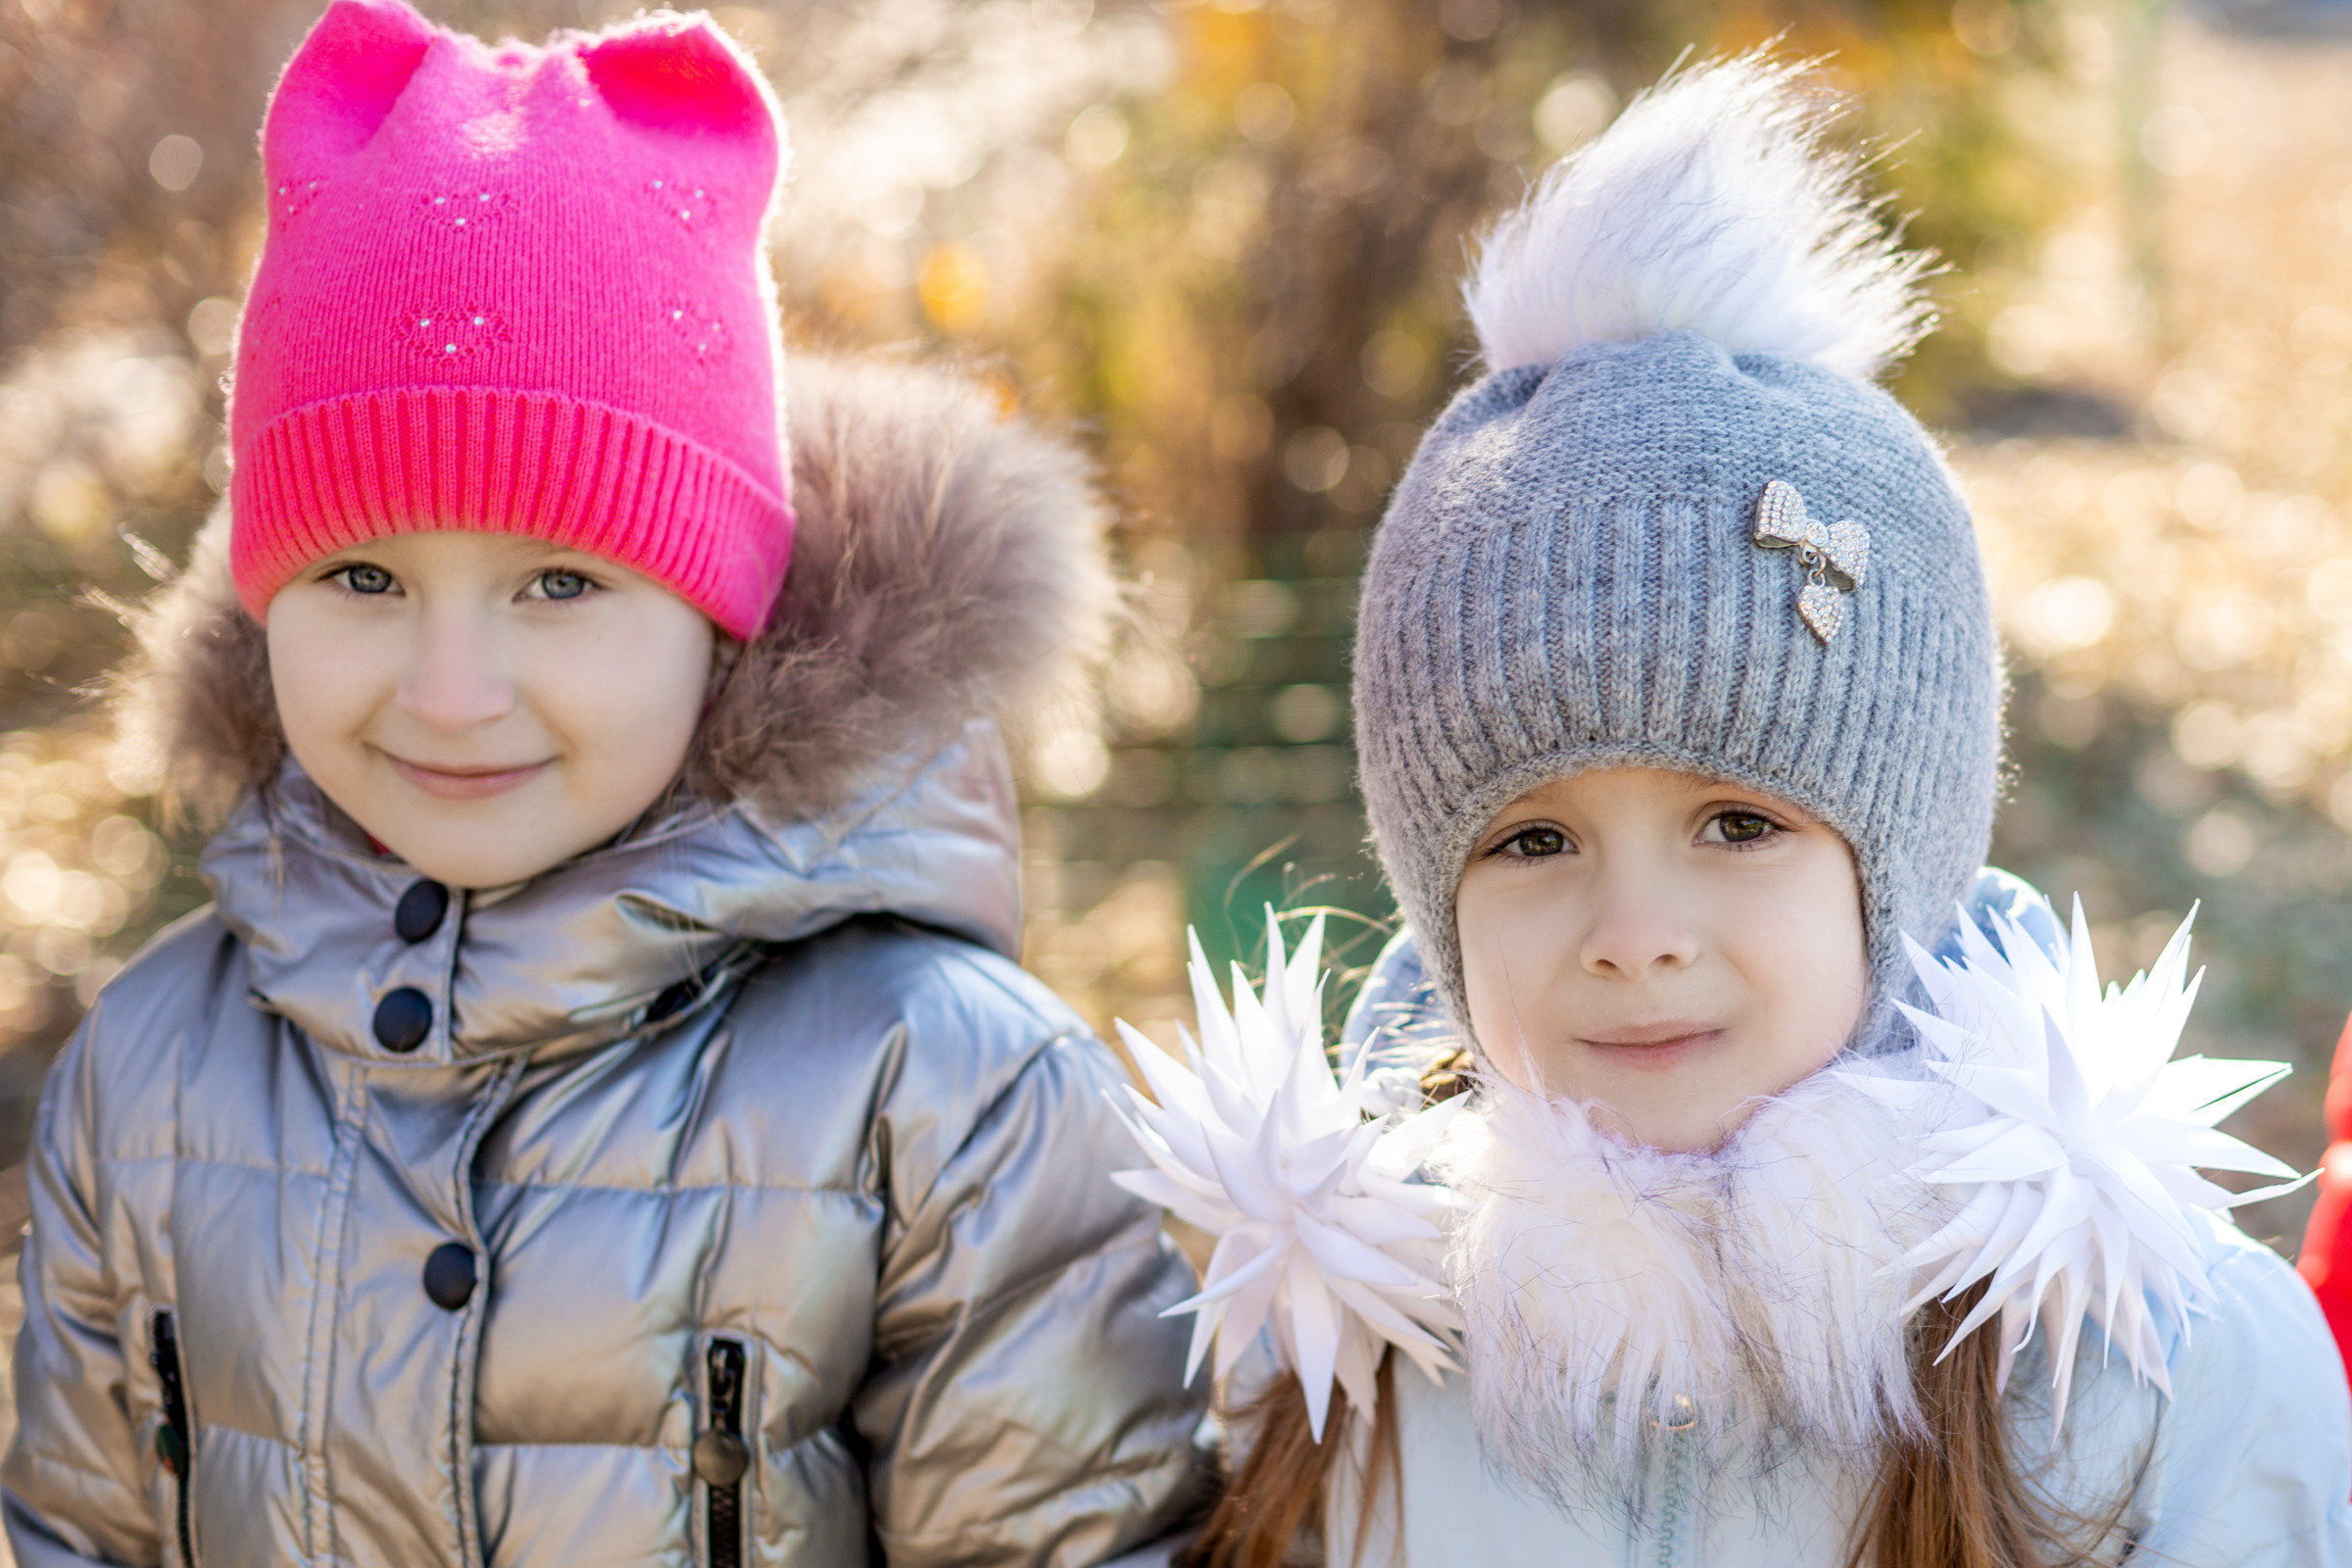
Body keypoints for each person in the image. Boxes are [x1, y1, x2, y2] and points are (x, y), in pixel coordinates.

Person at [1107, 56, 2352, 1568]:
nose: (1634, 936)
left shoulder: (2164, 1376)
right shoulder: (1342, 1356)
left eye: (1739, 824)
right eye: (1532, 840)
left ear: (1902, 863)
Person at [1, 3, 1204, 1564]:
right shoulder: (153, 1072)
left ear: (719, 608)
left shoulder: (943, 1096)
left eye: (559, 584)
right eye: (362, 573)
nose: (450, 690)